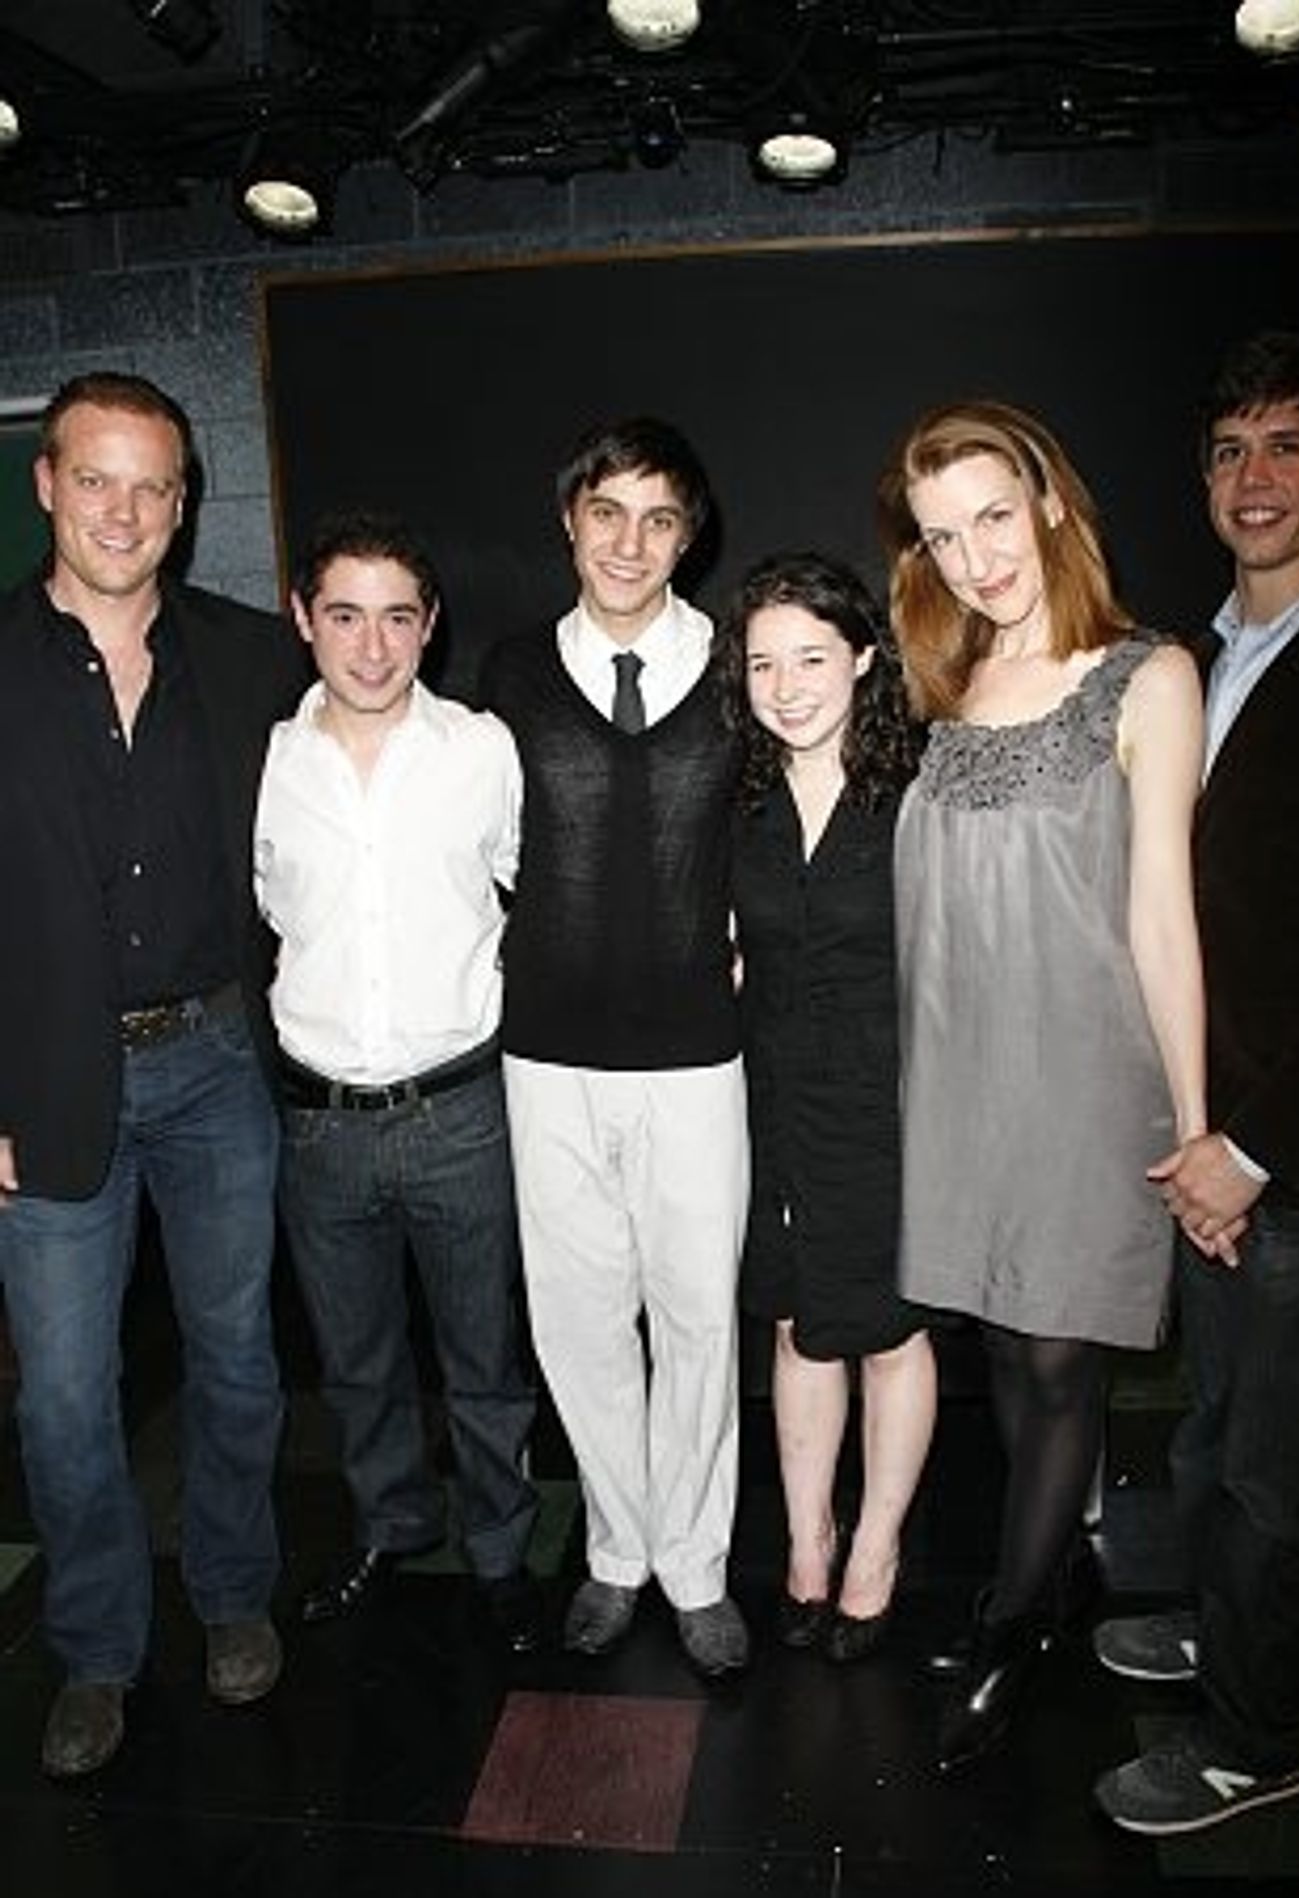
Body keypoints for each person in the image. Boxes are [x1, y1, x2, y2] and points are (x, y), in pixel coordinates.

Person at [1094, 332, 1299, 1835]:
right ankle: (1221, 1630)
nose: (1252, 476)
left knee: (1287, 1471)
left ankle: (1261, 1737)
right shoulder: (1201, 656)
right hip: (1211, 1140)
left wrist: (1256, 1149)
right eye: (1228, 450)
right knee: (1218, 1428)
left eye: (1285, 446)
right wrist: (1197, 1132)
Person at [877, 400, 1208, 1771]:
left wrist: (1196, 1124)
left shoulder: (1148, 675)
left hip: (1084, 1072)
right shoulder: (945, 679)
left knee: (1062, 1353)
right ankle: (1054, 1565)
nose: (974, 558)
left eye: (993, 518)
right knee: (1004, 1343)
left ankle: (1011, 1624)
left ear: (1051, 504)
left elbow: (1162, 913)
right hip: (960, 1068)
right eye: (942, 536)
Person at [0, 372, 306, 1777]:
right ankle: (96, 1647)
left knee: (238, 1357)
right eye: (96, 479)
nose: (123, 511)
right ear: (46, 484)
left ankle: (234, 1594)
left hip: (216, 1064)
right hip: (45, 1083)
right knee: (66, 1396)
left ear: (184, 505)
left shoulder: (250, 661)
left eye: (153, 486)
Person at [480, 417, 750, 1679]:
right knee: (580, 1322)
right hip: (548, 1052)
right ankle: (614, 1551)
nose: (628, 542)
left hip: (695, 1053)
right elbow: (482, 844)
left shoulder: (738, 666)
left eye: (656, 518)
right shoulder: (511, 670)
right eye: (606, 513)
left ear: (686, 535)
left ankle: (695, 1566)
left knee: (697, 1320)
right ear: (569, 522)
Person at [253, 514, 540, 1652]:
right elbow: (261, 912)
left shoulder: (483, 751)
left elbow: (540, 892)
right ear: (302, 618)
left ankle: (502, 1551)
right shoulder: (265, 763)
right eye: (344, 615)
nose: (371, 646)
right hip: (320, 1122)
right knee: (356, 1361)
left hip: (462, 1110)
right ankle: (391, 1524)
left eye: (396, 618)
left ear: (430, 626)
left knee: (485, 1359)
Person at [718, 552, 935, 1660]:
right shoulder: (740, 797)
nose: (786, 685)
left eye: (810, 657)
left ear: (860, 658)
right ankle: (808, 1538)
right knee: (796, 1321)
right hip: (770, 1099)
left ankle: (877, 1548)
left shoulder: (918, 792)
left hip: (889, 1104)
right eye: (763, 663)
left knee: (888, 1328)